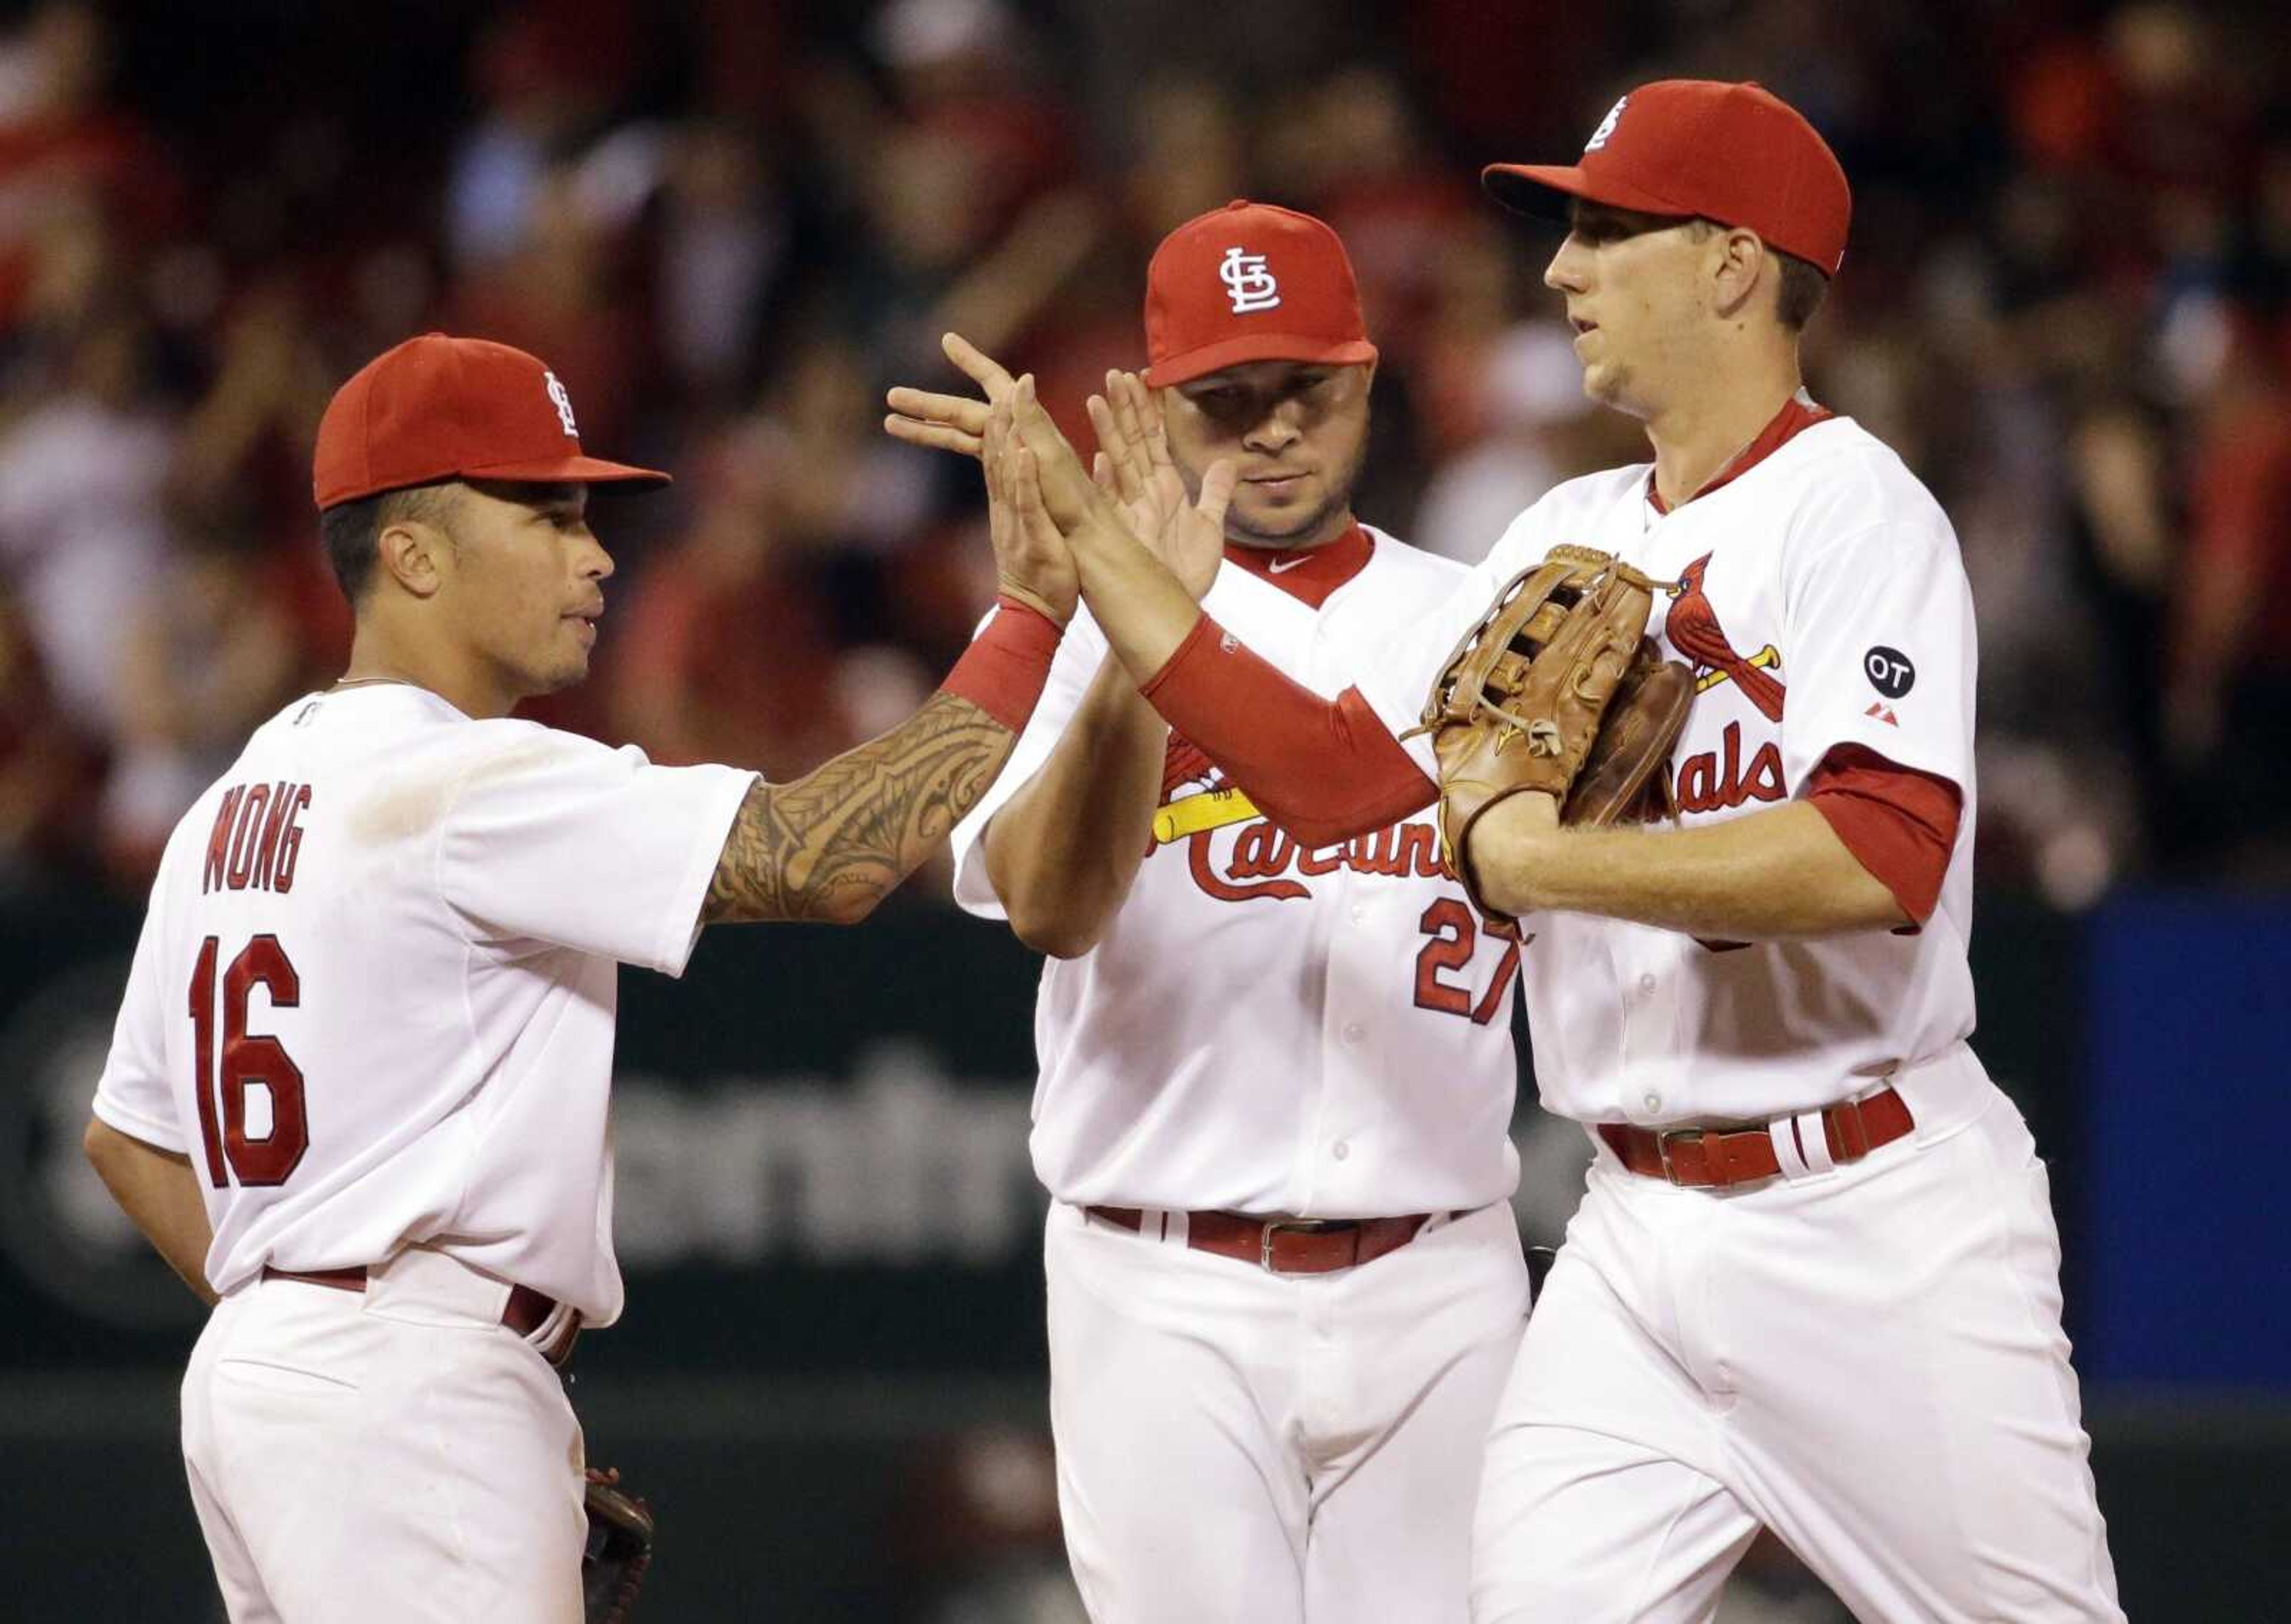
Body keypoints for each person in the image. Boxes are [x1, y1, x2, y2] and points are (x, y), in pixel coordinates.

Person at [907, 79, 2123, 1624]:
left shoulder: (1854, 513)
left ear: (1734, 267)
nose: (1560, 271)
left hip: (1866, 1203)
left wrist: (1548, 864)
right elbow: (1345, 783)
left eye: (1606, 232)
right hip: (1627, 1230)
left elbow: (1880, 858)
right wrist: (1111, 574)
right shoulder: (1568, 535)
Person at [79, 331, 1075, 1623]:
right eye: (545, 516)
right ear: (414, 551)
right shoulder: (458, 779)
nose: (595, 553)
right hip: (406, 1384)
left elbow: (125, 1139)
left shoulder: (237, 800)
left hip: (267, 1380)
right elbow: (833, 857)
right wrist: (1031, 615)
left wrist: (306, 1314)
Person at [892, 201, 1530, 1623]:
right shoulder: (1060, 623)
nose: (1274, 431)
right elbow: (1051, 909)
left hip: (1443, 1270)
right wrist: (1138, 647)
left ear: (1367, 377)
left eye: (1304, 387)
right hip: (1162, 1282)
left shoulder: (1484, 614)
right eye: (1227, 400)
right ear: (1160, 408)